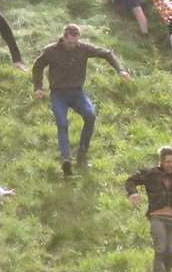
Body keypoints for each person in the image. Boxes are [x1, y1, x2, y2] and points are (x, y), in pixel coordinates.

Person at [31, 23, 131, 176]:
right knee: (62, 123)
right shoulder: (50, 51)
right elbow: (37, 66)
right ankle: (66, 159)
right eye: (70, 42)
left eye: (76, 42)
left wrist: (120, 70)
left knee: (90, 116)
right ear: (64, 37)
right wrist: (38, 87)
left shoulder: (83, 48)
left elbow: (106, 53)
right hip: (58, 94)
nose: (73, 45)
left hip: (77, 92)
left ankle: (82, 155)